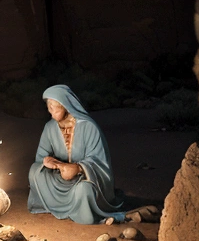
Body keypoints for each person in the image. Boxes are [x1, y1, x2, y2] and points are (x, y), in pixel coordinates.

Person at [27, 84, 126, 224]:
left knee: (84, 191)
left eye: (54, 107)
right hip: (59, 178)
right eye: (49, 106)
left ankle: (82, 209)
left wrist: (78, 168)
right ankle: (51, 205)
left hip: (83, 178)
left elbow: (98, 161)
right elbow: (41, 157)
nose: (50, 110)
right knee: (34, 172)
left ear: (65, 106)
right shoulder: (49, 128)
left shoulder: (89, 127)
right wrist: (49, 162)